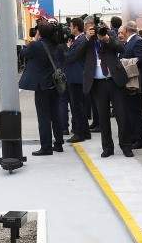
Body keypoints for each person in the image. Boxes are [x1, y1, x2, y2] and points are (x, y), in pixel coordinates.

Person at [78, 20, 131, 158]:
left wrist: (107, 39)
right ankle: (107, 148)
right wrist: (86, 38)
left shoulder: (109, 34)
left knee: (122, 116)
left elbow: (122, 48)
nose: (94, 31)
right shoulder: (86, 41)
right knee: (103, 118)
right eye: (90, 29)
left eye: (94, 28)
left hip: (115, 81)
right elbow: (75, 54)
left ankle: (126, 146)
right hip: (97, 84)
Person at [18, 21, 66, 156]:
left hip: (41, 86)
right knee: (55, 114)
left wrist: (34, 39)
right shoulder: (57, 45)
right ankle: (59, 144)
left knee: (43, 117)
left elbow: (23, 53)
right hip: (55, 85)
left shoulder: (35, 45)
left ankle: (46, 147)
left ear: (40, 32)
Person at [120, 21, 142, 150]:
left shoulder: (138, 41)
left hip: (135, 82)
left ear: (126, 31)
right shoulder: (128, 42)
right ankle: (133, 136)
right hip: (128, 81)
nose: (120, 34)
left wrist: (124, 62)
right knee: (130, 111)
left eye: (122, 32)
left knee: (136, 111)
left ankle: (141, 139)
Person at [64, 18, 91, 144]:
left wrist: (68, 48)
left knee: (77, 106)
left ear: (75, 27)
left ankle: (80, 133)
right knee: (79, 106)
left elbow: (70, 57)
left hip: (76, 77)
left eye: (71, 26)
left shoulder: (81, 40)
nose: (70, 28)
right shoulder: (79, 40)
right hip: (75, 76)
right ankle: (85, 131)